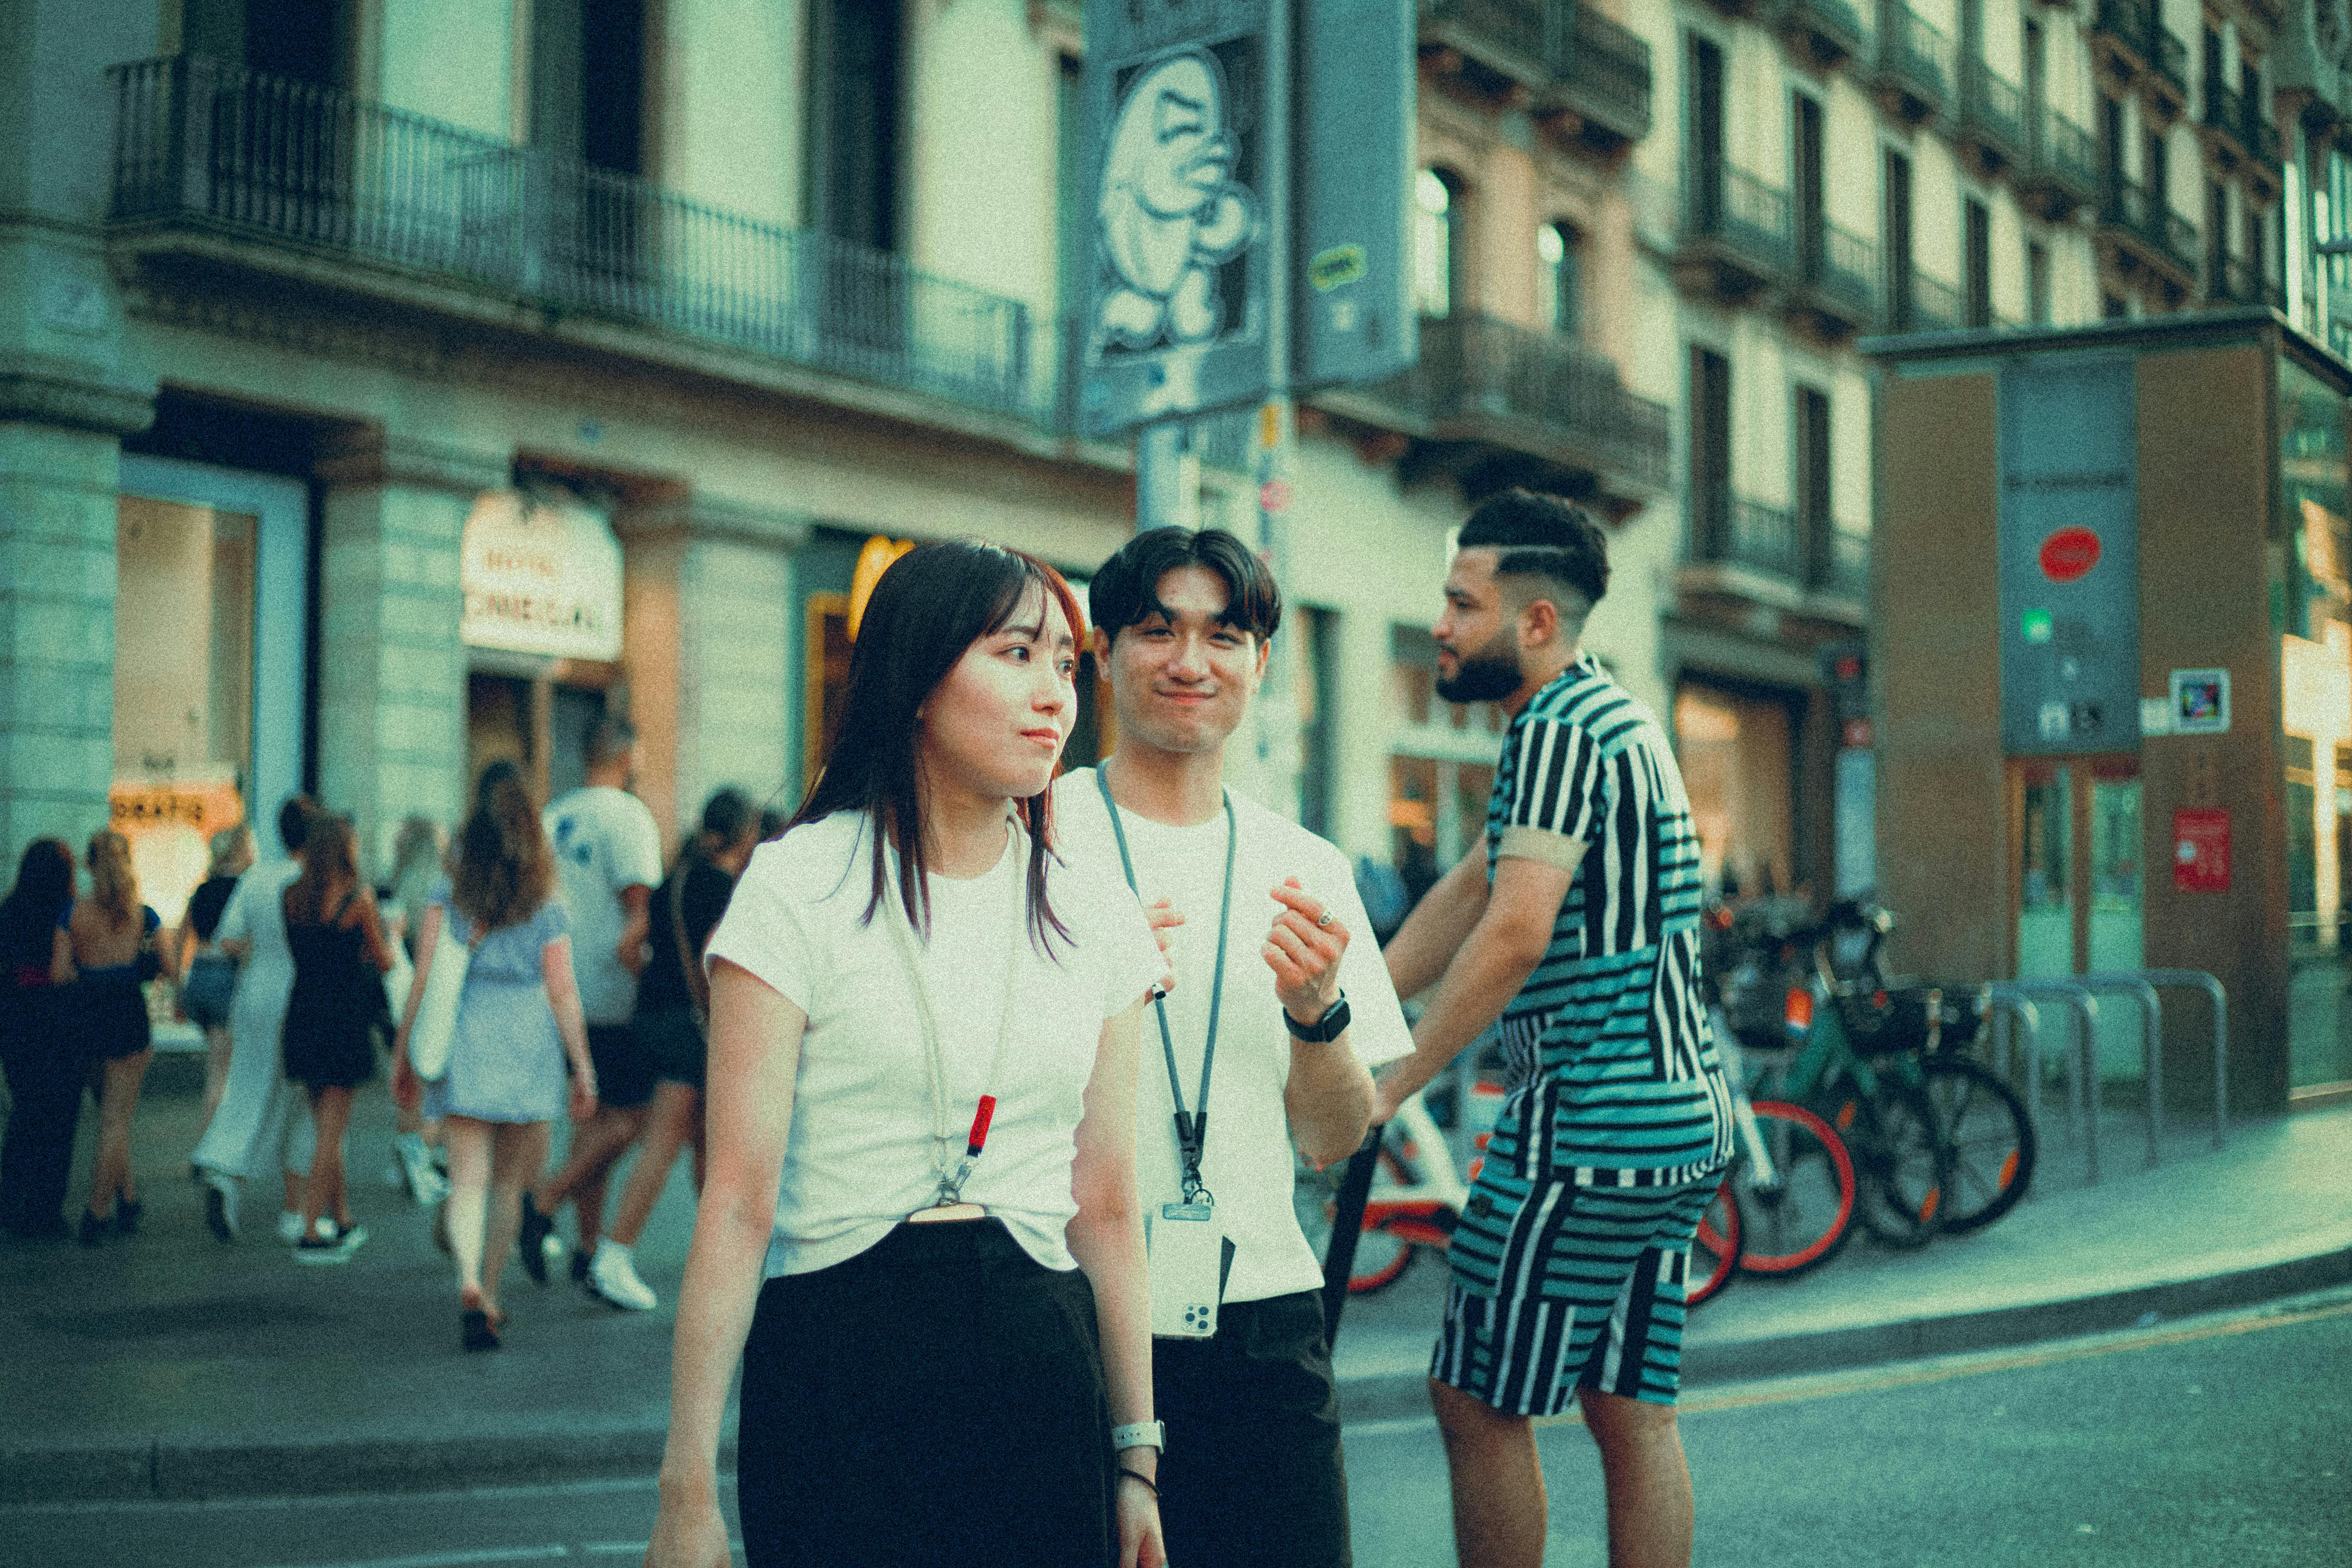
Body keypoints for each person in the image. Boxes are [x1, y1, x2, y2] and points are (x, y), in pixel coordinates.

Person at [643, 541, 1168, 1568]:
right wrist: (686, 1484)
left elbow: (1104, 1200)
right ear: (918, 679)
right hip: (838, 1365)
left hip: (1039, 1366)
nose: (1054, 694)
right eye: (1017, 654)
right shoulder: (801, 887)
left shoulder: (1092, 905)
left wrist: (1136, 1461)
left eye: (1066, 665)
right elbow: (738, 1199)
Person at [1373, 491, 1735, 1568]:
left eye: (1458, 602)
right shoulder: (1611, 716)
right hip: (1674, 1119)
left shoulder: (1556, 730)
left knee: (1474, 1396)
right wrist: (1352, 1005)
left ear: (1535, 622)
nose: (1439, 624)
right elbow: (1476, 890)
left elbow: (1515, 934)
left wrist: (1390, 1080)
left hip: (1589, 1124)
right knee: (1632, 1409)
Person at [1052, 526, 1415, 1568]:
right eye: (1157, 629)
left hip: (1261, 1318)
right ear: (1106, 651)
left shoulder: (1303, 863)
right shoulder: (1035, 838)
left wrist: (1316, 1009)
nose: (1188, 661)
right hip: (1068, 1311)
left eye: (1222, 634)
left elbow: (1332, 1137)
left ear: (1259, 661)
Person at [393, 762, 598, 1350]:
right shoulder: (547, 905)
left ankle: (465, 1284)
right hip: (528, 1043)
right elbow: (562, 991)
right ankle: (491, 1289)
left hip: (468, 1037)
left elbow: (425, 977)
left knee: (467, 1182)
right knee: (509, 1187)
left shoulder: (448, 896)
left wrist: (404, 1053)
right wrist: (582, 1066)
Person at [586, 787, 759, 1312]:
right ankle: (614, 1253)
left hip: (654, 1017)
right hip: (693, 1031)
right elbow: (714, 955)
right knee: (665, 1143)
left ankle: (721, 1256)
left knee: (707, 1145)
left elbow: (630, 948)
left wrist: (662, 987)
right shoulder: (727, 887)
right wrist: (715, 1009)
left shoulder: (674, 880)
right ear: (746, 833)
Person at [522, 715, 663, 1291]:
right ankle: (546, 1200)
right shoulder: (628, 818)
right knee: (631, 1121)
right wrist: (647, 972)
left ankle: (586, 1245)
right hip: (612, 990)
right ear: (627, 755)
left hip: (559, 987)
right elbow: (638, 909)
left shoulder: (554, 816)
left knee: (595, 1118)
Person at [192, 797, 320, 1245]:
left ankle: (223, 1165)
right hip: (300, 992)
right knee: (305, 1101)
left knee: (246, 1083)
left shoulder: (257, 877)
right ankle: (295, 1209)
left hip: (255, 991)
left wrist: (259, 952)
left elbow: (227, 940)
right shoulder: (312, 880)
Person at [280, 813, 396, 1262]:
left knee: (325, 1123)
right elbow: (385, 961)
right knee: (332, 1131)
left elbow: (302, 952)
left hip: (303, 1012)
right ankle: (311, 1229)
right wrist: (384, 941)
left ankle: (342, 1216)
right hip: (343, 1018)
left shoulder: (291, 897)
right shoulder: (358, 898)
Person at [71, 829, 174, 1245]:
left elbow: (61, 974)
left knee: (108, 1115)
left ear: (89, 864)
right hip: (128, 1016)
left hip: (87, 1017)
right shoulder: (144, 915)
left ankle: (128, 1200)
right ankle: (97, 1214)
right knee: (117, 1120)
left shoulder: (73, 915)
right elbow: (168, 965)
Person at [0, 840, 81, 1239]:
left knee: (26, 1113)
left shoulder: (8, 912)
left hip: (17, 1026)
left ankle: (11, 1201)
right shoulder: (67, 915)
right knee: (60, 1119)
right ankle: (45, 1209)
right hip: (60, 1026)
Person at [381, 814, 449, 1204]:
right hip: (430, 991)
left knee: (407, 1074)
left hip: (399, 992)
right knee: (434, 1077)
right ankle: (419, 1153)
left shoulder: (398, 886)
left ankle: (407, 1150)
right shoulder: (441, 890)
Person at [177, 825, 254, 1123]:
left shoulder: (202, 891)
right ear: (240, 850)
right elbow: (243, 943)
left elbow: (181, 940)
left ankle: (213, 1149)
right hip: (226, 977)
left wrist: (178, 986)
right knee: (221, 1075)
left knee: (218, 1065)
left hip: (199, 975)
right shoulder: (243, 889)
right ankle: (210, 1151)